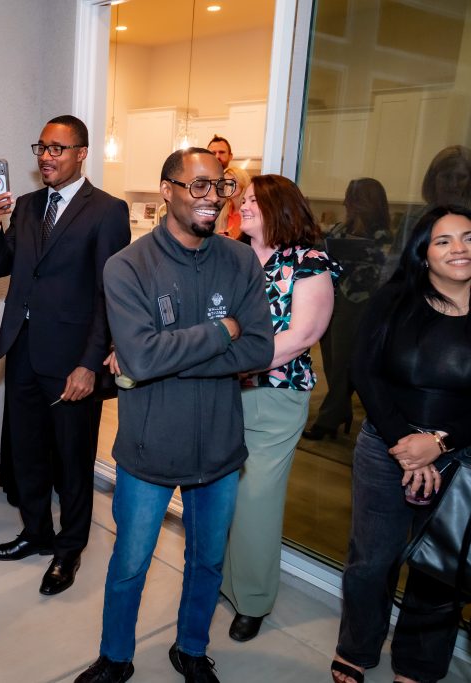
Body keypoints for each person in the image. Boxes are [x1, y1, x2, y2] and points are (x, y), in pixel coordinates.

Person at [76, 148, 273, 683]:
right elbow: (138, 357)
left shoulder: (240, 262)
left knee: (207, 562)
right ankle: (115, 657)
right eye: (200, 186)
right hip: (148, 449)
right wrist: (221, 332)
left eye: (221, 186)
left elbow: (259, 349)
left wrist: (169, 355)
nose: (213, 198)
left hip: (220, 451)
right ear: (167, 190)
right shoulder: (127, 266)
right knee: (130, 566)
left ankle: (190, 648)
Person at [0, 114, 129, 596]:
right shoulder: (24, 205)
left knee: (73, 458)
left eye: (57, 149)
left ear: (81, 153)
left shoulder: (107, 210)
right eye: (41, 148)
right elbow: (3, 267)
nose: (46, 156)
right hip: (22, 349)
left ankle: (69, 552)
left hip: (72, 360)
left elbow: (111, 295)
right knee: (27, 453)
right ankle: (36, 532)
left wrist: (90, 362)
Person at [330, 205, 471, 683]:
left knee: (439, 571)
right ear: (424, 253)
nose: (460, 249)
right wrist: (404, 443)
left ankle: (417, 664)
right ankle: (356, 646)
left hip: (461, 457)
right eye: (444, 240)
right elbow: (363, 372)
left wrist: (439, 442)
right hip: (385, 447)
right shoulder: (394, 299)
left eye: (469, 237)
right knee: (371, 560)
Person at [220, 175, 338, 642]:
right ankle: (219, 581)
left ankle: (251, 599)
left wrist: (233, 360)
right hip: (221, 393)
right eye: (242, 200)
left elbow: (304, 335)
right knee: (220, 493)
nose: (243, 206)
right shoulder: (232, 255)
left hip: (275, 392)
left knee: (257, 501)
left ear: (278, 207)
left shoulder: (308, 261)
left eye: (252, 200)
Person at [305, 178, 391, 441]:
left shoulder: (382, 236)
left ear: (366, 203)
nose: (345, 203)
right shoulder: (343, 227)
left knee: (343, 362)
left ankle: (329, 417)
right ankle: (340, 410)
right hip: (332, 298)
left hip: (358, 303)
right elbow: (323, 251)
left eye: (351, 199)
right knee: (331, 360)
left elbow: (383, 268)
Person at [214, 166, 250, 239]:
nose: (228, 186)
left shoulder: (248, 212)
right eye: (225, 182)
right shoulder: (223, 212)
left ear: (243, 183)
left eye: (233, 182)